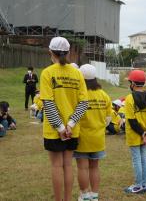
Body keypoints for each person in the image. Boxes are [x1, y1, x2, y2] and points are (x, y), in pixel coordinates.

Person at [40, 37, 88, 201]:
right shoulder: (77, 73)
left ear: (50, 52)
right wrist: (70, 124)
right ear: (68, 53)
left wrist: (60, 128)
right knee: (68, 165)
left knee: (56, 166)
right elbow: (83, 103)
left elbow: (48, 102)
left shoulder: (47, 72)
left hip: (55, 130)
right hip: (72, 129)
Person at [74, 64, 111, 201]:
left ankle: (84, 195)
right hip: (98, 137)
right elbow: (108, 119)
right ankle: (94, 196)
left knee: (82, 168)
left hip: (82, 137)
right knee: (94, 167)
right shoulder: (104, 95)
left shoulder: (79, 95)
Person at [124, 70, 146, 193]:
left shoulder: (130, 98)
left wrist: (142, 134)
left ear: (133, 83)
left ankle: (138, 185)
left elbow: (132, 121)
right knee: (144, 158)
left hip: (135, 134)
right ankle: (144, 184)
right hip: (145, 135)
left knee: (137, 159)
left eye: (130, 82)